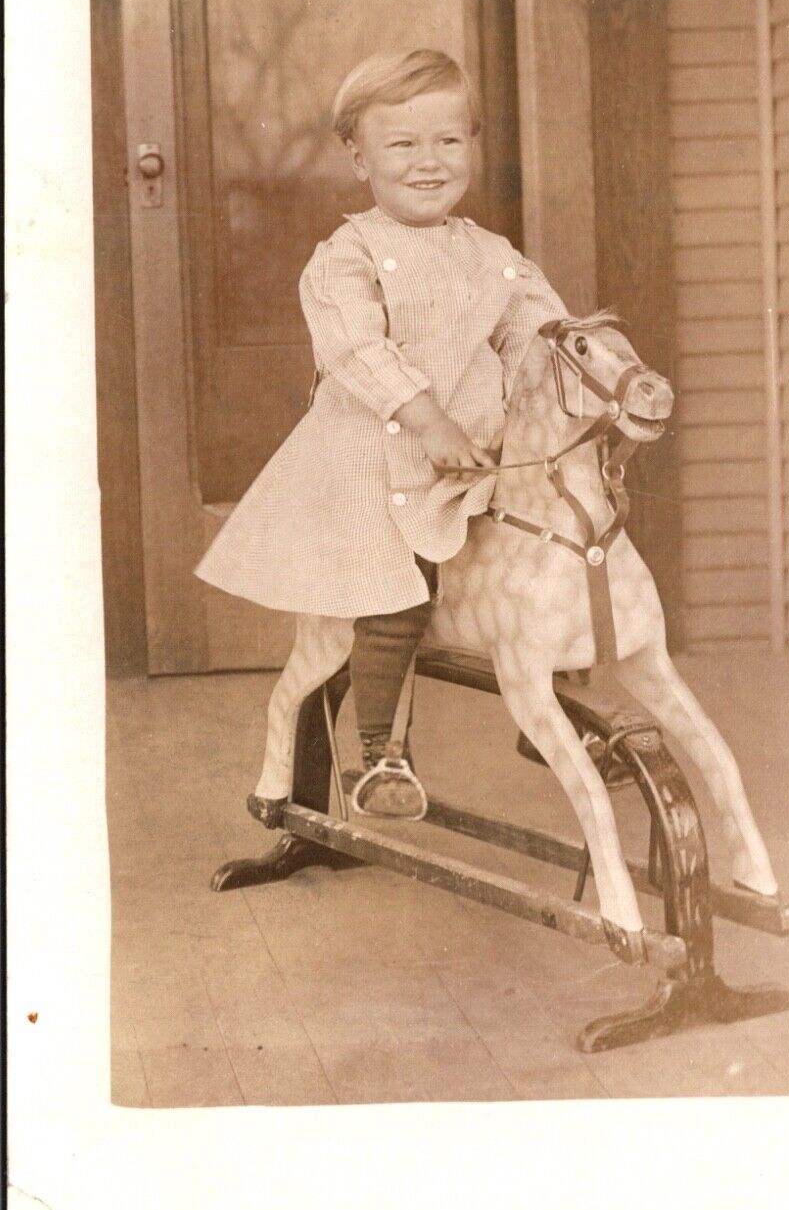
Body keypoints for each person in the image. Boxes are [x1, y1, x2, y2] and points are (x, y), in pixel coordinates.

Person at [196, 47, 569, 819]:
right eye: (402, 145)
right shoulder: (348, 255)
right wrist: (424, 415)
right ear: (358, 156)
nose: (429, 162)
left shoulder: (490, 255)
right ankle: (380, 757)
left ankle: (552, 718)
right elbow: (357, 348)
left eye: (449, 141)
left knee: (550, 552)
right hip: (370, 466)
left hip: (465, 463)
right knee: (394, 596)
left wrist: (577, 370)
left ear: (473, 145)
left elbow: (540, 326)